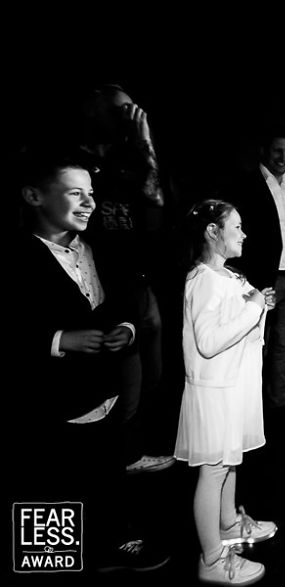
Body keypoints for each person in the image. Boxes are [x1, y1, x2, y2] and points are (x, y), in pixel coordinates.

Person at [12, 148, 170, 574]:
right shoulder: (17, 258)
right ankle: (59, 559)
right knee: (58, 489)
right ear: (34, 196)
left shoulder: (97, 246)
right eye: (75, 193)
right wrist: (59, 339)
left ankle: (113, 541)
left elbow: (121, 302)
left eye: (92, 193)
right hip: (50, 402)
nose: (90, 203)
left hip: (102, 392)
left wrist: (127, 329)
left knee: (105, 472)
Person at [174, 199, 279, 584]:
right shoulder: (203, 279)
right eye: (237, 227)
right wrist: (254, 307)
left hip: (232, 387)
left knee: (229, 460)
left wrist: (259, 305)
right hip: (215, 392)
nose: (244, 234)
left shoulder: (228, 275)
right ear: (212, 232)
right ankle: (212, 558)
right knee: (214, 470)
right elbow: (208, 342)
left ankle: (229, 523)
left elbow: (241, 318)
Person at [78, 83, 176, 474]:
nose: (132, 118)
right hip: (104, 285)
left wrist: (144, 142)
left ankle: (133, 448)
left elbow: (155, 200)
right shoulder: (77, 164)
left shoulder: (126, 159)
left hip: (139, 281)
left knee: (152, 372)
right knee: (124, 378)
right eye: (123, 111)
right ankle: (123, 458)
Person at [224, 131, 285, 412]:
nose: (283, 157)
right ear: (265, 151)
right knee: (254, 343)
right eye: (278, 151)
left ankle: (280, 404)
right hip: (260, 279)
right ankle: (249, 409)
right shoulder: (246, 184)